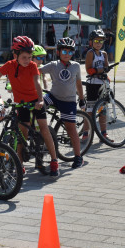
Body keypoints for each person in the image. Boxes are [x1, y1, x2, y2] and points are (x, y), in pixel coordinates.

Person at [0, 36, 60, 177]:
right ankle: (20, 164)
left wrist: (40, 100)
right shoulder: (9, 65)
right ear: (15, 55)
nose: (28, 60)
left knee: (44, 129)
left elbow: (37, 83)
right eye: (24, 57)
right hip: (21, 103)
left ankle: (54, 161)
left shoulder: (33, 66)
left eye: (30, 57)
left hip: (35, 101)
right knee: (22, 134)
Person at [39, 37, 85, 169]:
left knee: (71, 129)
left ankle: (78, 157)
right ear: (58, 52)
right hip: (53, 96)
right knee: (37, 108)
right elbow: (37, 71)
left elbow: (78, 83)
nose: (67, 55)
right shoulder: (53, 64)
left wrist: (81, 99)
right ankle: (39, 135)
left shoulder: (76, 66)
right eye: (64, 52)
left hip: (68, 101)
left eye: (70, 52)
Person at [83, 29, 110, 140]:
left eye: (100, 41)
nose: (98, 43)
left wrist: (100, 70)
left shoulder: (104, 54)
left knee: (103, 109)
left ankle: (104, 133)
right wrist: (100, 70)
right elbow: (89, 70)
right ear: (91, 42)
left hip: (102, 84)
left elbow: (106, 68)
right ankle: (85, 133)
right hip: (92, 84)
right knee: (89, 111)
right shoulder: (90, 53)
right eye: (96, 41)